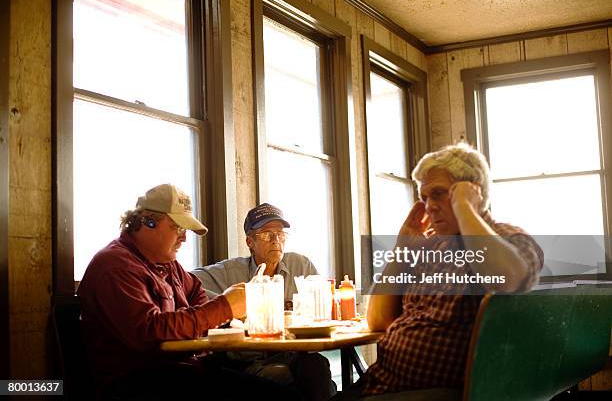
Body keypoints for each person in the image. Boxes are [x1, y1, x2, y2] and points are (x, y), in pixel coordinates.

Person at [338, 143, 544, 400]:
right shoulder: (429, 247)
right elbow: (378, 321)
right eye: (424, 198)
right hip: (382, 383)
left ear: (471, 191)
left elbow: (508, 277)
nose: (429, 206)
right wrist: (401, 250)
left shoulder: (508, 237)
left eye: (438, 194)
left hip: (438, 393)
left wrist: (466, 208)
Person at [77, 184, 300, 400]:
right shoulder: (116, 266)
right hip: (139, 383)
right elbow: (150, 332)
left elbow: (197, 296)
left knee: (290, 387)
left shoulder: (167, 263)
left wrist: (219, 312)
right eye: (178, 228)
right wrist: (225, 307)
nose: (184, 238)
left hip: (183, 371)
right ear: (148, 222)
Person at [191, 203, 336, 401]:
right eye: (267, 234)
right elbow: (188, 282)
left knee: (317, 366)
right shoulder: (231, 272)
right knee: (284, 380)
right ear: (250, 241)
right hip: (248, 360)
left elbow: (325, 304)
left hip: (292, 354)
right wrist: (230, 305)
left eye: (281, 233)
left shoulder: (300, 265)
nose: (276, 240)